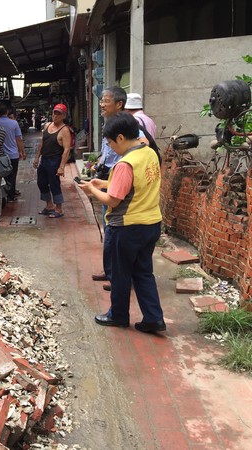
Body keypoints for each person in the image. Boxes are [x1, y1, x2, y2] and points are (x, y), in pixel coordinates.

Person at [77, 112, 165, 333]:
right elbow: (135, 185)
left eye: (109, 142)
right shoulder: (149, 153)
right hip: (151, 223)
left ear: (121, 138)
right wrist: (106, 182)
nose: (111, 147)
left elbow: (113, 200)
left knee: (120, 273)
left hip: (127, 227)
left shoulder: (125, 163)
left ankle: (118, 315)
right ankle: (154, 318)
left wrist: (92, 189)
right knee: (143, 272)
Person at [92, 87, 148, 288]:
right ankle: (111, 271)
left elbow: (143, 142)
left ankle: (120, 278)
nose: (102, 104)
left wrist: (124, 163)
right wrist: (99, 163)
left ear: (119, 104)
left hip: (121, 181)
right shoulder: (110, 125)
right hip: (109, 177)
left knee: (116, 231)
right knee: (108, 228)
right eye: (102, 100)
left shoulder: (130, 127)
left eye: (106, 100)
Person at [33, 103, 72, 218]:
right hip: (44, 159)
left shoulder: (64, 130)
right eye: (54, 112)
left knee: (54, 184)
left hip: (54, 160)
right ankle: (49, 205)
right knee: (41, 182)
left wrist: (61, 167)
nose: (55, 115)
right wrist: (37, 157)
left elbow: (66, 150)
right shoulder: (47, 125)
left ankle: (59, 209)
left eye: (59, 114)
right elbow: (42, 143)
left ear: (64, 116)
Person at [0, 104, 26, 202]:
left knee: (2, 176)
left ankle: (3, 194)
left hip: (0, 155)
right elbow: (19, 139)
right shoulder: (14, 123)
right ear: (7, 112)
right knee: (12, 175)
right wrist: (22, 151)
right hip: (13, 154)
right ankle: (10, 196)